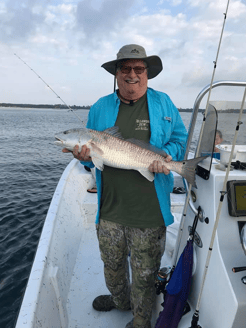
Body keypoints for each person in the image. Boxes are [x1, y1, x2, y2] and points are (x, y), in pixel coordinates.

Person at [63, 44, 187, 328]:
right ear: (117, 74)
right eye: (125, 68)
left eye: (139, 69)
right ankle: (121, 301)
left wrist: (167, 155)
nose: (132, 74)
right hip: (110, 210)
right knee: (113, 268)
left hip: (149, 212)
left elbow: (181, 138)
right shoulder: (100, 107)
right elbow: (90, 162)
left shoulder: (164, 103)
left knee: (144, 275)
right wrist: (84, 158)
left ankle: (141, 321)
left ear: (147, 74)